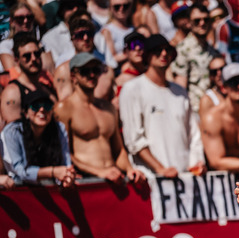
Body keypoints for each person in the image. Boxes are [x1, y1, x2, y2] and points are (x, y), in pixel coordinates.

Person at [119, 34, 205, 177]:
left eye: (167, 51)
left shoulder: (180, 92)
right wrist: (160, 169)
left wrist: (196, 163)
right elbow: (134, 140)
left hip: (184, 179)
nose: (164, 54)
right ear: (147, 55)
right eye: (157, 51)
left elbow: (193, 134)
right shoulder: (132, 89)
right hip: (151, 179)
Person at [54, 52, 144, 183]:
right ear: (73, 76)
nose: (91, 75)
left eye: (95, 70)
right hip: (86, 181)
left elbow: (118, 150)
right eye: (85, 71)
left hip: (112, 178)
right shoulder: (65, 108)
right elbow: (64, 153)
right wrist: (99, 172)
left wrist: (130, 169)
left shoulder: (108, 108)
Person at [2, 89, 77, 187]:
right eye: (35, 106)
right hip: (21, 191)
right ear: (26, 113)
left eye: (47, 106)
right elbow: (20, 171)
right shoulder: (12, 132)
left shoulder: (59, 128)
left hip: (51, 191)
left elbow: (66, 164)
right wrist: (53, 172)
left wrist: (68, 176)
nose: (42, 110)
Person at [169, 2, 222, 113]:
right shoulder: (182, 50)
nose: (202, 24)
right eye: (197, 20)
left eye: (206, 20)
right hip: (195, 110)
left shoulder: (213, 51)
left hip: (215, 108)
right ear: (189, 23)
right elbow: (180, 87)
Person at [1, 35, 57, 126]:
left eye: (37, 54)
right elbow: (13, 134)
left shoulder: (46, 88)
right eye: (27, 56)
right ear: (17, 60)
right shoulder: (13, 93)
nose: (34, 59)